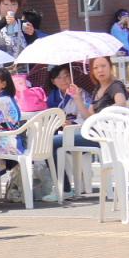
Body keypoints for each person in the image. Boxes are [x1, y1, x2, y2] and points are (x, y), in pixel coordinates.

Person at [44, 65, 95, 202]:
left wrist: (72, 123)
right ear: (53, 81)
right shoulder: (52, 98)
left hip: (80, 129)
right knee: (45, 142)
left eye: (66, 75)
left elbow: (86, 117)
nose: (63, 80)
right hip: (62, 132)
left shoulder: (80, 92)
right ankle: (62, 184)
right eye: (59, 77)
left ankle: (65, 188)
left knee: (50, 144)